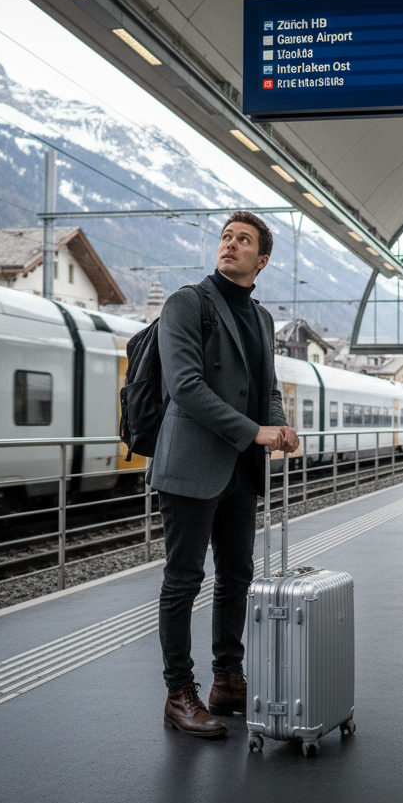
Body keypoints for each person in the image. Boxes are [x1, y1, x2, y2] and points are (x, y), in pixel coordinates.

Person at [148, 210, 299, 738]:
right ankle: (178, 692)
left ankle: (227, 679)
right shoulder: (187, 304)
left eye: (243, 240)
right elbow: (186, 387)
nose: (229, 245)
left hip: (239, 470)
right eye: (225, 237)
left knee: (237, 576)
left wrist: (279, 426)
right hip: (191, 465)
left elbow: (268, 389)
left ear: (262, 260)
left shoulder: (260, 318)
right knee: (184, 579)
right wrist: (254, 432)